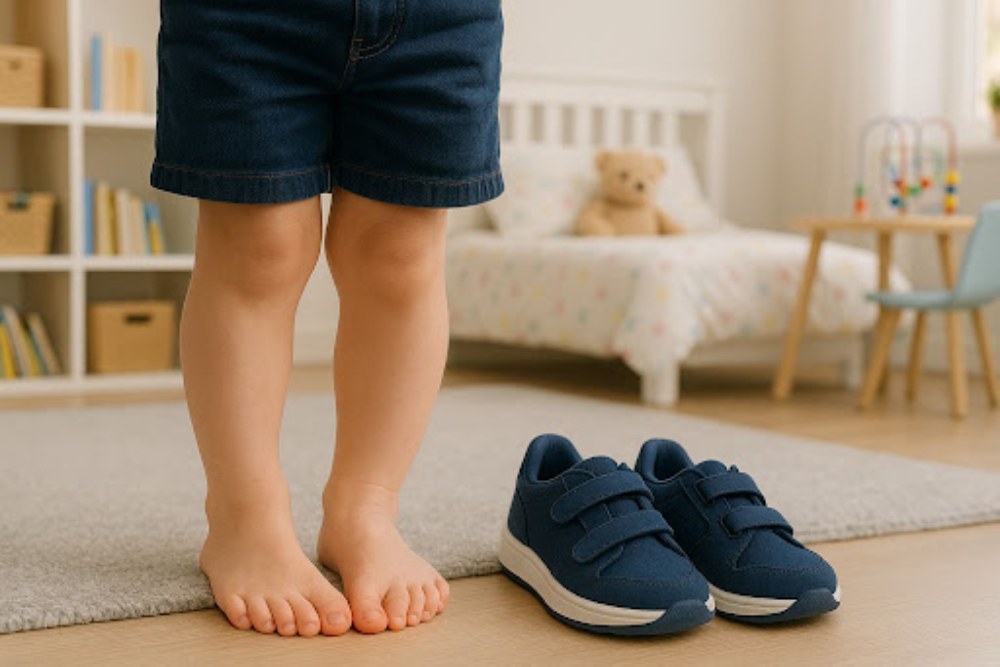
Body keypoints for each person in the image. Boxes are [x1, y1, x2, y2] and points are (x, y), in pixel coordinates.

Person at [151, 0, 504, 636]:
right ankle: (244, 516)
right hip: (243, 18)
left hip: (445, 15)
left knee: (401, 256)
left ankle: (365, 510)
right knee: (257, 248)